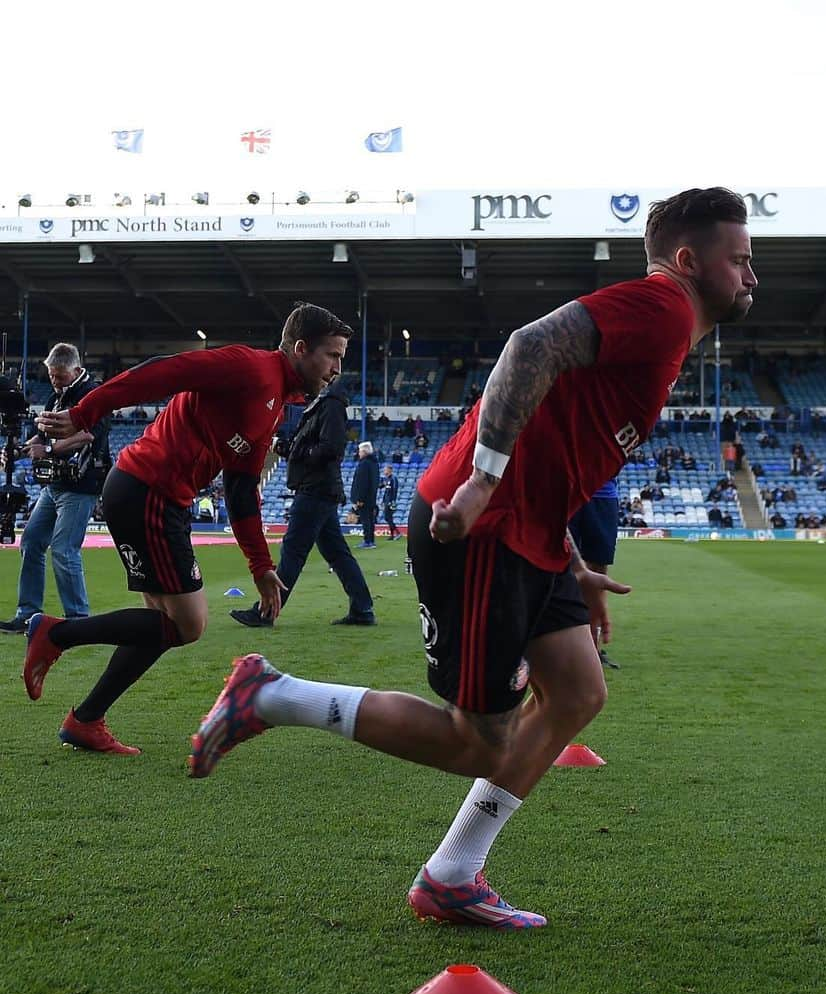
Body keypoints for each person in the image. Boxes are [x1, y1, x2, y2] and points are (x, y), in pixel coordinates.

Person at [188, 186, 757, 929]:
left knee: (579, 691)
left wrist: (573, 563)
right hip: (481, 524)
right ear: (689, 261)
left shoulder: (669, 330)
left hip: (531, 532)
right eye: (740, 260)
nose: (752, 277)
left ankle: (452, 874)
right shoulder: (663, 306)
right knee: (477, 740)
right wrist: (485, 480)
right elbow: (531, 345)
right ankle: (270, 694)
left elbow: (563, 437)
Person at [23, 302, 350, 755]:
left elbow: (240, 491)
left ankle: (86, 719)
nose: (338, 368)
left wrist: (260, 566)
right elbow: (165, 371)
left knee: (161, 625)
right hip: (148, 490)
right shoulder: (250, 367)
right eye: (333, 355)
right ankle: (54, 634)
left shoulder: (275, 403)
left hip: (152, 495)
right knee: (188, 624)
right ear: (300, 348)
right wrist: (85, 412)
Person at [230, 378, 376, 629]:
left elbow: (330, 447)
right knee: (338, 555)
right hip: (320, 489)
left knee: (293, 553)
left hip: (314, 490)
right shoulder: (324, 404)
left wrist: (301, 452)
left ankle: (266, 612)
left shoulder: (329, 404)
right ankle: (362, 609)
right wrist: (285, 447)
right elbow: (313, 447)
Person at [0, 344, 111, 634]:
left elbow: (88, 435)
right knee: (32, 541)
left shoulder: (93, 395)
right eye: (51, 375)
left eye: (59, 376)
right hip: (54, 484)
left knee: (64, 549)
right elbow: (41, 436)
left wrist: (47, 449)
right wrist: (18, 452)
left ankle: (79, 621)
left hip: (81, 484)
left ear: (76, 369)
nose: (55, 381)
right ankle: (28, 614)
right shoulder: (55, 397)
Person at [568, 480, 622, 670]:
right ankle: (562, 645)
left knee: (598, 572)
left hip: (603, 494)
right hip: (566, 489)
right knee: (558, 568)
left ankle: (593, 649)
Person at [350, 441, 379, 548]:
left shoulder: (364, 464)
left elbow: (362, 482)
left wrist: (359, 498)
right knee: (370, 519)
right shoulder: (374, 463)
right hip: (371, 497)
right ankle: (371, 540)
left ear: (364, 452)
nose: (358, 453)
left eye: (360, 451)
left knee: (365, 519)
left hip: (364, 498)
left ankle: (367, 541)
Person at [380, 464, 400, 540]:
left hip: (390, 501)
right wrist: (383, 501)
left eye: (385, 470)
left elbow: (394, 490)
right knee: (388, 518)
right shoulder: (386, 479)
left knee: (388, 517)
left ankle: (396, 533)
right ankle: (393, 534)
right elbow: (385, 490)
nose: (384, 471)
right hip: (386, 501)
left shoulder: (393, 478)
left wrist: (392, 501)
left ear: (389, 470)